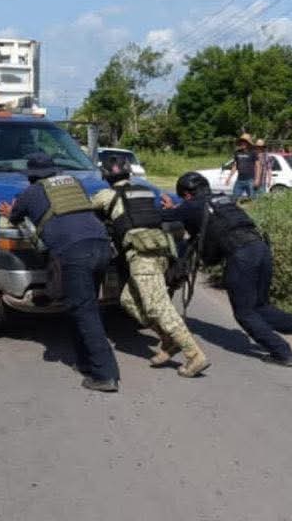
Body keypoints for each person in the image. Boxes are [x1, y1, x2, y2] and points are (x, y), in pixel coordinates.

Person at [161, 172, 292, 366]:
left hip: (242, 256)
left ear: (186, 194)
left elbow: (159, 216)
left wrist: (172, 208)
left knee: (244, 312)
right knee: (260, 307)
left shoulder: (191, 205)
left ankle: (281, 352)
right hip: (261, 248)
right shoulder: (223, 199)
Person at [0, 152, 120, 392]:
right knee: (83, 306)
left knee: (84, 312)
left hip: (75, 252)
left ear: (31, 176)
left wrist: (8, 212)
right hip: (102, 246)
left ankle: (106, 375)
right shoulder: (75, 184)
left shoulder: (30, 192)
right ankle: (86, 363)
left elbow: (14, 215)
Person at [90, 156, 210, 377]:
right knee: (127, 299)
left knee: (157, 307)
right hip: (160, 250)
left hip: (142, 256)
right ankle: (168, 341)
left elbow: (89, 208)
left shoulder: (106, 195)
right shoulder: (144, 190)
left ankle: (194, 355)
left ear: (105, 176)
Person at [225, 133, 260, 200]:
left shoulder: (253, 152)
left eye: (244, 142)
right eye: (241, 142)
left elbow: (258, 166)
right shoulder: (237, 152)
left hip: (250, 180)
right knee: (234, 199)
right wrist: (229, 178)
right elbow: (235, 166)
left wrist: (257, 179)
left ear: (248, 143)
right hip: (239, 180)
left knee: (253, 199)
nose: (242, 143)